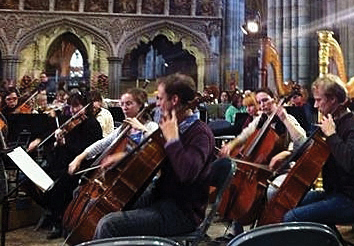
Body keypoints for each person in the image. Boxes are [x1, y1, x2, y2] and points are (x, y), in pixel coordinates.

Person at [93, 73, 215, 239]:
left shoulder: (200, 133)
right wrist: (125, 156)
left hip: (181, 212)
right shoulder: (172, 126)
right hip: (160, 197)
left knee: (109, 225)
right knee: (106, 206)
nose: (157, 104)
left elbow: (187, 172)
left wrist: (172, 140)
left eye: (159, 98)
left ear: (174, 100)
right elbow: (152, 157)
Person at [282, 74, 354, 226]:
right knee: (286, 202)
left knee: (292, 217)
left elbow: (351, 164)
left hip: (352, 200)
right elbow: (313, 152)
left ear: (333, 99)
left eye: (318, 100)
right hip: (332, 193)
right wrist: (288, 156)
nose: (315, 106)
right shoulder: (332, 121)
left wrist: (332, 135)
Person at [27, 90, 103, 239]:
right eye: (72, 106)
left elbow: (86, 152)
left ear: (86, 106)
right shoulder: (69, 121)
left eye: (77, 106)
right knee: (30, 181)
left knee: (56, 186)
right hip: (60, 163)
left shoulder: (92, 124)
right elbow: (58, 145)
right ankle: (53, 210)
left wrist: (65, 143)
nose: (74, 110)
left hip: (79, 168)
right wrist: (58, 142)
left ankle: (59, 220)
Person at [68, 88, 158, 175]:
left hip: (140, 175)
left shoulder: (151, 126)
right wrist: (80, 157)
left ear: (140, 105)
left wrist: (142, 129)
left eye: (128, 104)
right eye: (122, 104)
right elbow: (102, 143)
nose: (124, 107)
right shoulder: (124, 128)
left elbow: (156, 148)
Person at [219, 87, 307, 167]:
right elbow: (244, 135)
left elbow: (302, 142)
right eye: (259, 102)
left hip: (281, 167)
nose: (262, 105)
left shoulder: (287, 118)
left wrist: (285, 119)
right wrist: (231, 145)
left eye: (265, 100)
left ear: (274, 100)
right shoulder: (260, 119)